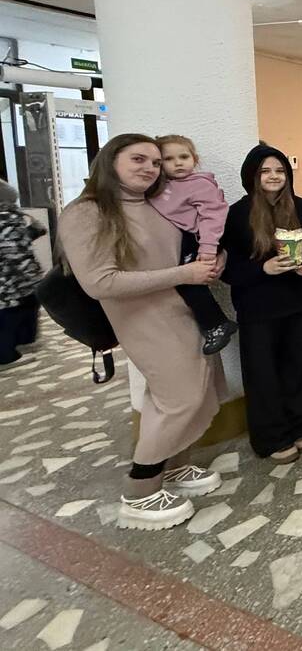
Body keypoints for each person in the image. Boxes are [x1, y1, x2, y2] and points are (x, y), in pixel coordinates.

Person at [60, 134, 224, 530]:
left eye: (155, 162)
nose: (149, 168)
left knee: (200, 392)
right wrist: (184, 274)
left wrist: (215, 259)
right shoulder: (87, 212)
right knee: (180, 399)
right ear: (110, 160)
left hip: (186, 312)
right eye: (138, 159)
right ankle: (140, 491)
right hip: (144, 319)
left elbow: (189, 244)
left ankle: (175, 467)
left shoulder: (156, 202)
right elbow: (100, 282)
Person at [220, 144, 302, 462]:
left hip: (298, 302)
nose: (274, 176)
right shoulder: (237, 214)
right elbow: (226, 268)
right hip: (258, 307)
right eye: (265, 171)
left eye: (279, 170)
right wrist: (262, 268)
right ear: (252, 176)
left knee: (300, 367)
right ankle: (272, 437)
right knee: (263, 372)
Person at [149, 135, 238, 356]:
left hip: (199, 239)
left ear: (194, 159)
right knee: (184, 283)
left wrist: (208, 248)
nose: (178, 163)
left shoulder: (200, 185)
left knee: (189, 283)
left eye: (183, 157)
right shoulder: (161, 186)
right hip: (183, 240)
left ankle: (217, 324)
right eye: (169, 159)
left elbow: (214, 217)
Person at [0, 179, 42, 372]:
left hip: (7, 279)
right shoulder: (9, 218)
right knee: (12, 314)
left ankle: (18, 346)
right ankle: (9, 355)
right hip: (12, 280)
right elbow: (15, 251)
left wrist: (31, 232)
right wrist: (32, 277)